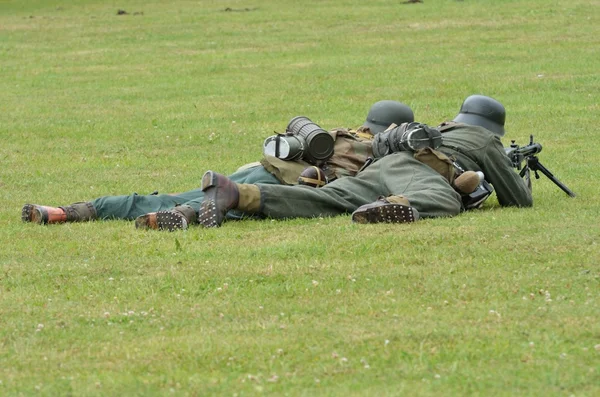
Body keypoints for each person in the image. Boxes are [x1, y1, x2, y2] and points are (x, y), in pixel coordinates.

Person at [21, 100, 416, 230]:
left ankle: (73, 211)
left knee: (187, 193)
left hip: (261, 168)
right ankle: (182, 216)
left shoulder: (339, 134)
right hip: (280, 187)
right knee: (226, 205)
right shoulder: (384, 152)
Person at [196, 95, 532, 227]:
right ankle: (393, 206)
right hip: (414, 172)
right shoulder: (484, 139)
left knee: (327, 198)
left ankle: (237, 194)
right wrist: (522, 175)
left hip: (379, 166)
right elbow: (518, 199)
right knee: (445, 198)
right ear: (492, 128)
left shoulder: (440, 129)